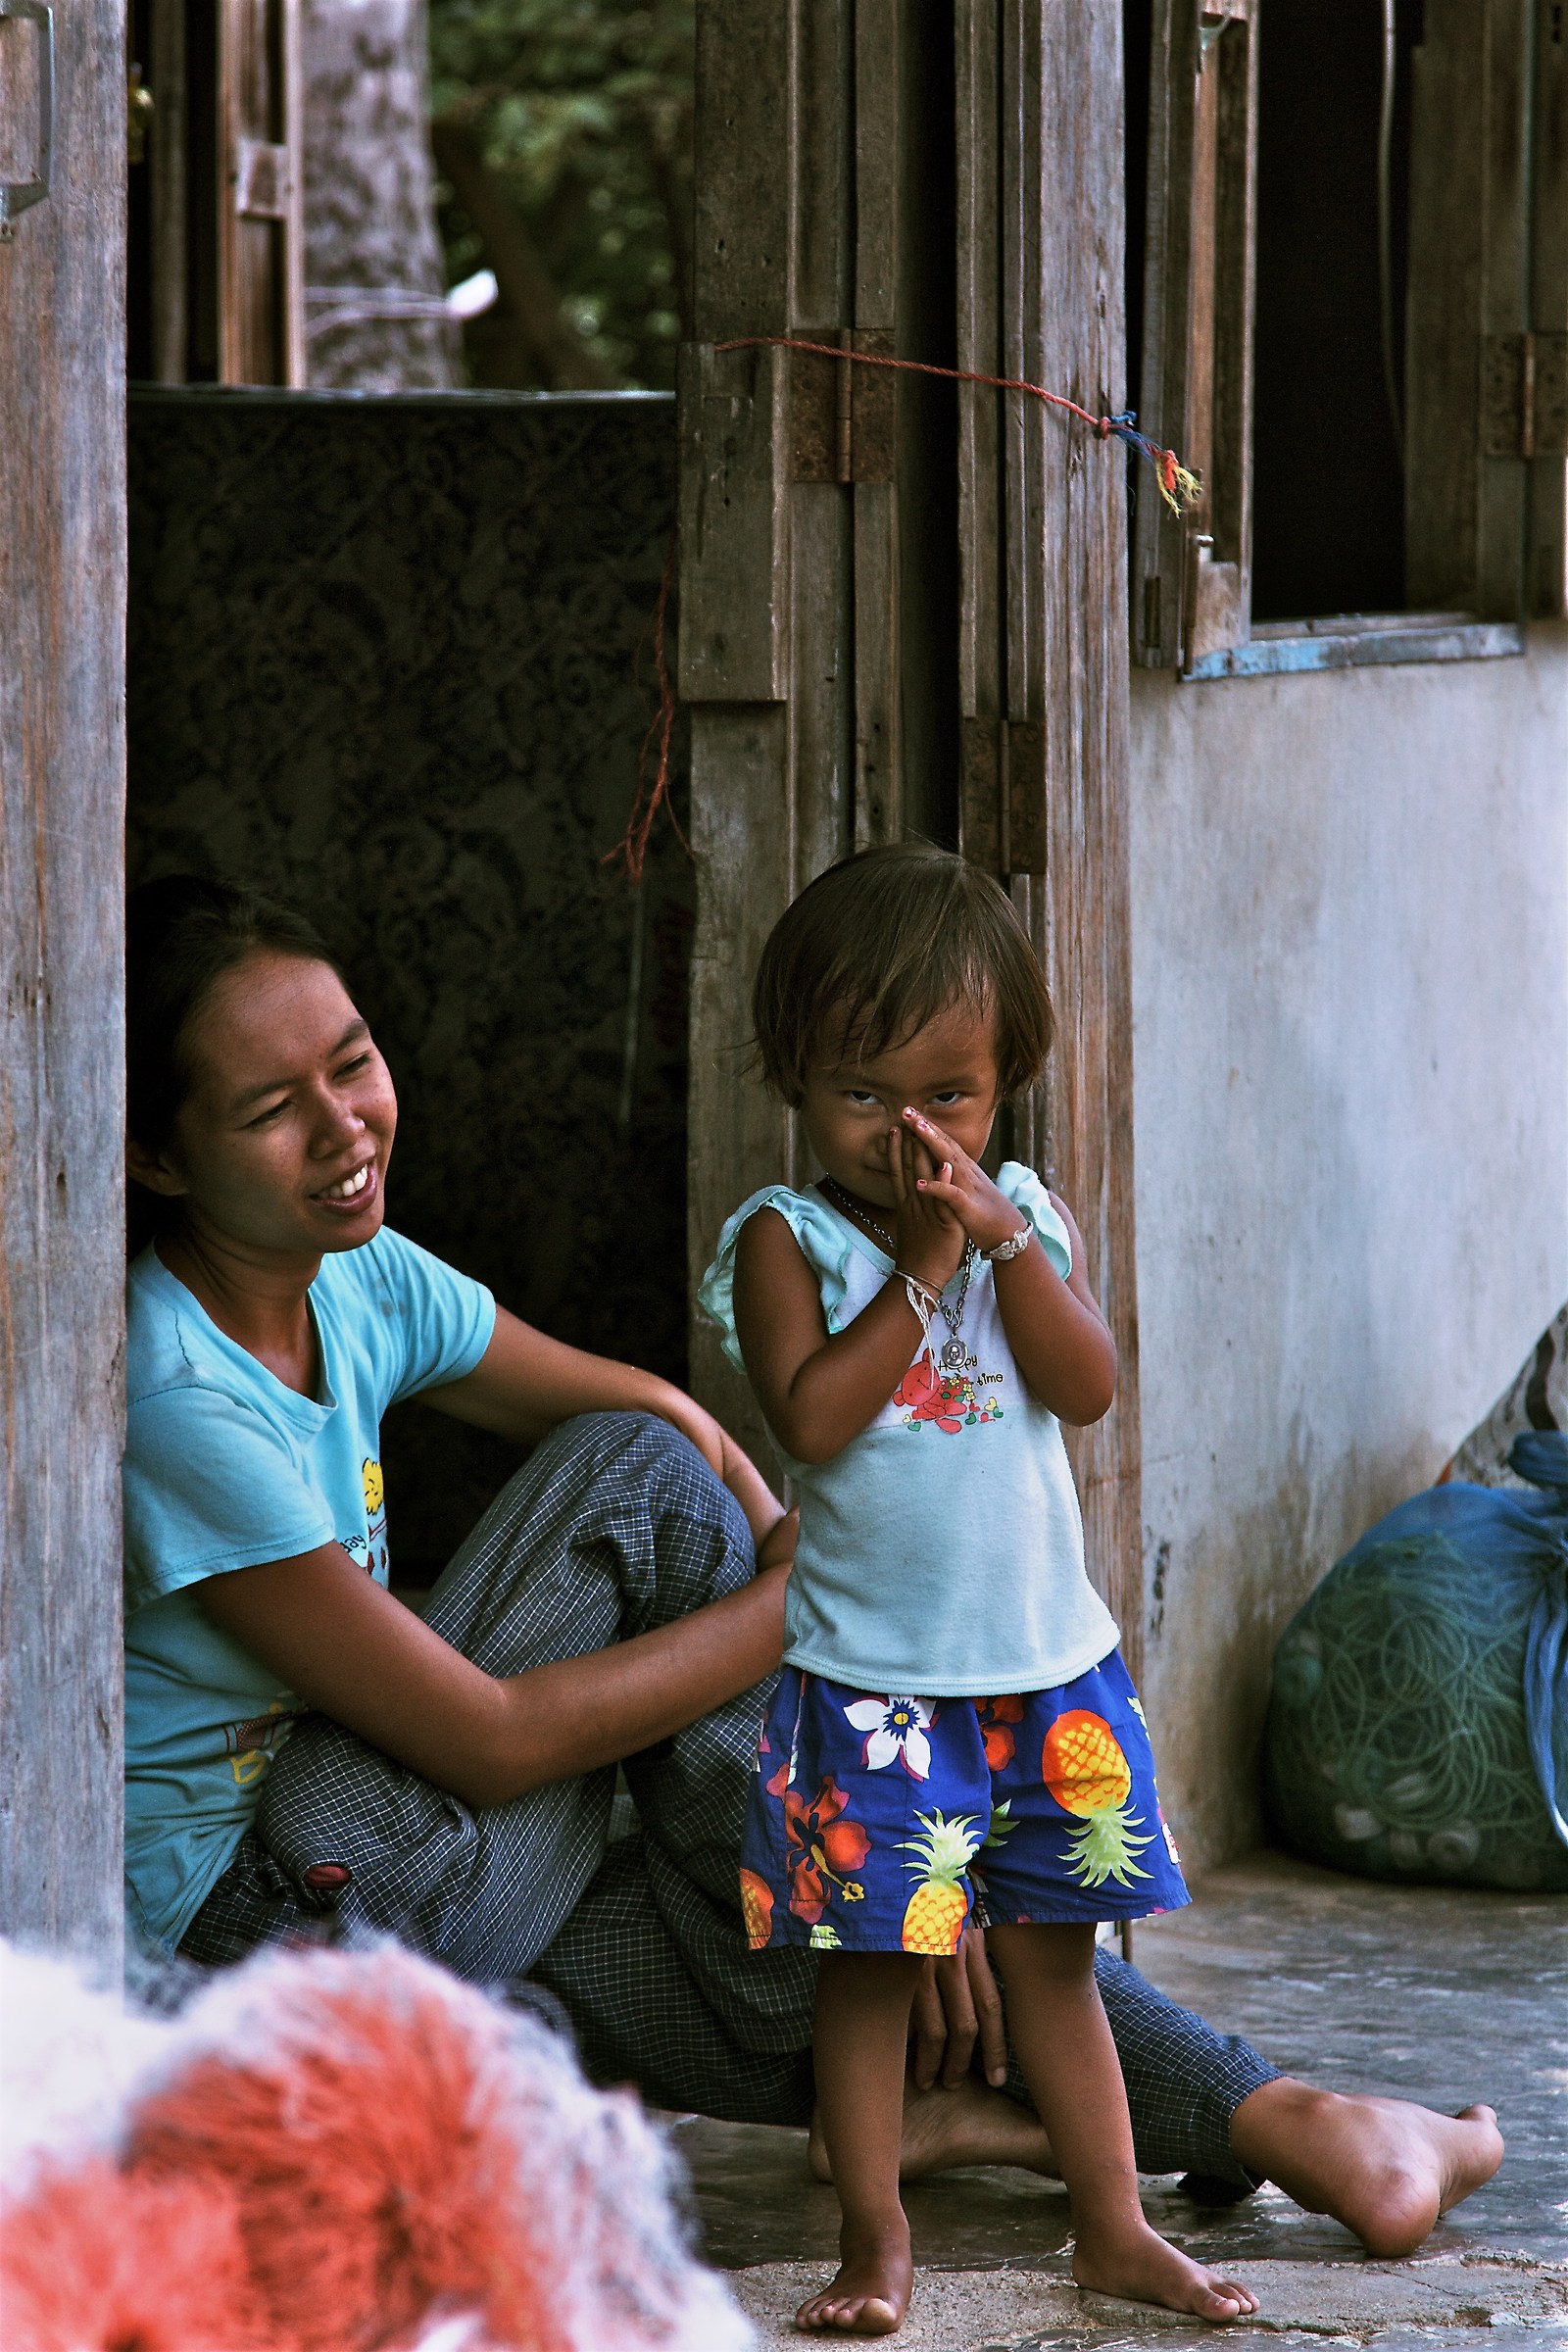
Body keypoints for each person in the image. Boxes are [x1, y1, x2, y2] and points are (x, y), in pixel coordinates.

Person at [121, 875, 1500, 2289]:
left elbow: (685, 1420)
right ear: (158, 1159)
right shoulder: (175, 1399)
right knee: (649, 1511)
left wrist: (864, 1711)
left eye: (352, 1062)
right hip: (262, 1944)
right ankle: (1076, 2075)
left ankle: (1281, 2123)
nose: (344, 1127)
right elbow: (494, 1740)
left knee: (806, 1927)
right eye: (270, 1108)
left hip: (442, 1892)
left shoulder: (353, 1278)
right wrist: (856, 1616)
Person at [701, 846, 1255, 2333]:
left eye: (947, 1095)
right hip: (873, 1689)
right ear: (796, 1082)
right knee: (870, 1975)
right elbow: (813, 1420)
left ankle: (1114, 2227)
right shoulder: (788, 1241)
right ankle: (874, 2238)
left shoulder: (1025, 1223)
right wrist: (926, 1266)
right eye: (863, 1095)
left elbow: (1087, 1386)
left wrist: (1004, 1248)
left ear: (1004, 1081)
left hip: (1046, 1674)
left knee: (1056, 1969)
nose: (910, 1134)